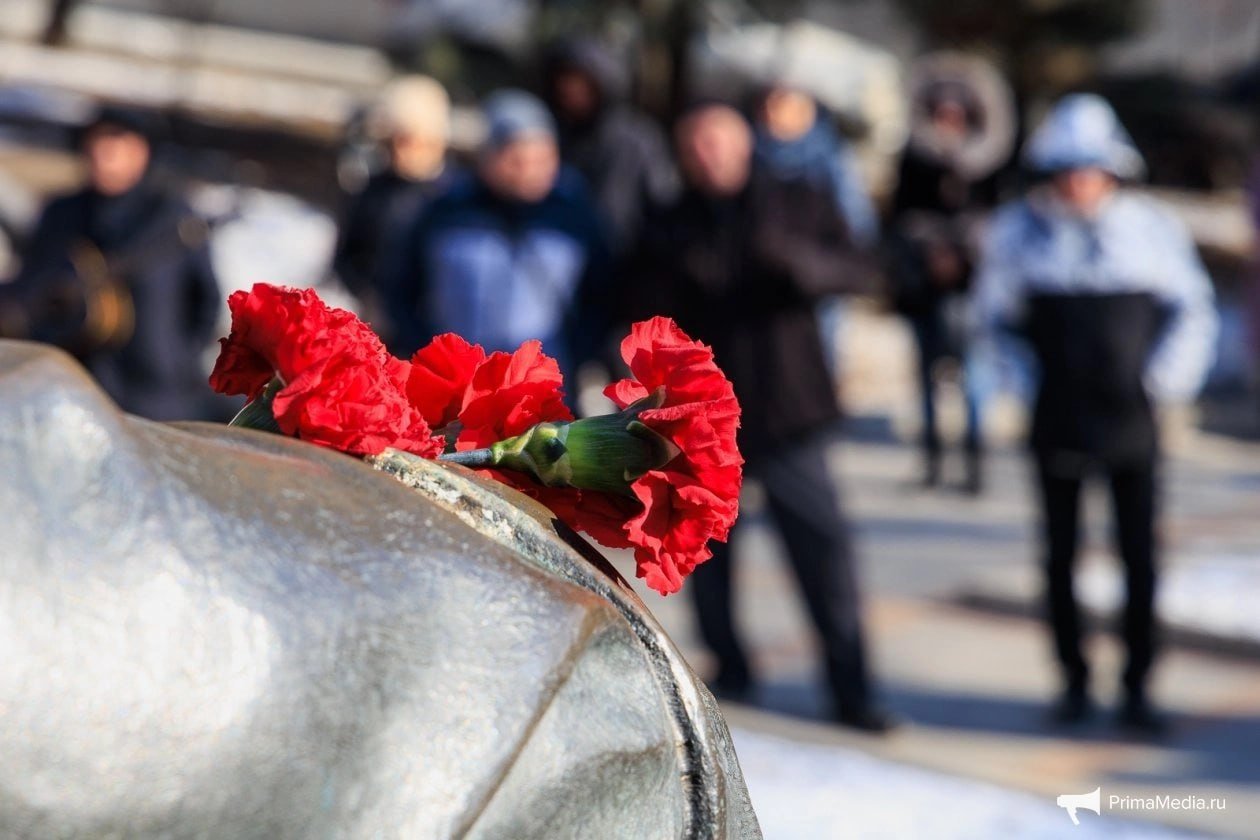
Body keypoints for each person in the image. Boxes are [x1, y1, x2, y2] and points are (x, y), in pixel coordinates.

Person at [632, 102, 895, 732]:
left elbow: (862, 268)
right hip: (704, 418)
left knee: (822, 549)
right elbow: (639, 301)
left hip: (789, 407)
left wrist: (799, 265)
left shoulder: (798, 198)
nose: (709, 154)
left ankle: (851, 686)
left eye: (720, 141)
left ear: (746, 143)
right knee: (708, 550)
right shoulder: (670, 220)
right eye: (696, 144)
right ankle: (732, 666)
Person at [972, 94, 1218, 734]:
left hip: (1133, 419)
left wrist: (1162, 382)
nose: (1079, 183)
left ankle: (1138, 687)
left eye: (1091, 170)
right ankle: (1073, 681)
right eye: (1067, 171)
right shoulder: (1018, 234)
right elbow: (992, 323)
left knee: (1139, 556)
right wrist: (1024, 388)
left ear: (1112, 172)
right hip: (1056, 416)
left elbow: (1194, 310)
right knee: (1059, 555)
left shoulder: (1152, 229)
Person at [7, 105, 220, 420]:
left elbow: (206, 302)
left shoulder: (172, 217)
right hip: (73, 388)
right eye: (96, 146)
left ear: (141, 153)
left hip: (157, 398)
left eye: (115, 148)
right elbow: (32, 285)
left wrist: (176, 359)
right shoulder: (63, 213)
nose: (103, 157)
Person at [385, 89, 609, 376]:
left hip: (544, 391)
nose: (529, 171)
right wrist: (424, 350)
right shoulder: (445, 211)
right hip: (457, 386)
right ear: (488, 156)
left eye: (542, 159)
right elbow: (400, 286)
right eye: (517, 159)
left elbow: (602, 295)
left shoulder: (574, 216)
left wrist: (577, 355)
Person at [887, 58, 1014, 493]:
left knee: (974, 375)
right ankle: (933, 460)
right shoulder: (914, 157)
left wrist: (963, 251)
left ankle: (975, 462)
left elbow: (1000, 222)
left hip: (971, 286)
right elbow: (899, 216)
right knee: (925, 377)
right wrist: (929, 250)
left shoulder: (990, 160)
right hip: (923, 284)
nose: (949, 120)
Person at [752, 84, 877, 380]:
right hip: (767, 269)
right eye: (770, 107)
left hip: (820, 274)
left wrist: (840, 265)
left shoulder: (830, 157)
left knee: (819, 352)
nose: (776, 116)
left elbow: (857, 218)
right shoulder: (752, 152)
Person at [542, 37, 678, 254]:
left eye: (581, 81)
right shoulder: (552, 135)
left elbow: (663, 198)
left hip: (628, 261)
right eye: (563, 79)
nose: (569, 89)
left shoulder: (638, 137)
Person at [334, 76, 454, 316]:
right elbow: (347, 257)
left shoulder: (454, 198)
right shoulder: (374, 192)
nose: (400, 152)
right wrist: (367, 296)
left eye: (409, 141)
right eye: (392, 142)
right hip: (380, 323)